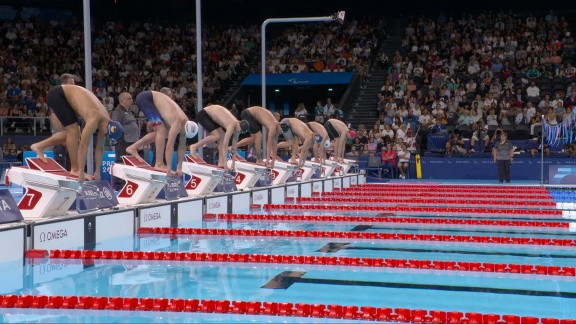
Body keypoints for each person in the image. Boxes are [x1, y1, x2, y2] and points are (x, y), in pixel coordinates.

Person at [30, 84, 124, 182]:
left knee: (75, 133)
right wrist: (81, 172)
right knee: (73, 131)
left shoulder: (106, 123)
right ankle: (75, 169)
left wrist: (97, 172)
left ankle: (39, 146)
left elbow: (99, 148)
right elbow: (83, 146)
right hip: (58, 94)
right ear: (107, 127)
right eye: (107, 134)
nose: (105, 136)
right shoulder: (94, 118)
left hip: (68, 97)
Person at [126, 88, 198, 176]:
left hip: (151, 100)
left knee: (162, 132)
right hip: (146, 98)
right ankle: (159, 163)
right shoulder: (177, 123)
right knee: (162, 130)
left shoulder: (186, 123)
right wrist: (169, 167)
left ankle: (133, 147)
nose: (182, 134)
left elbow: (182, 147)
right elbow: (169, 146)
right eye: (184, 133)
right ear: (185, 127)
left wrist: (179, 166)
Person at [190, 104, 250, 170]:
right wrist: (225, 165)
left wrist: (233, 163)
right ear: (239, 124)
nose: (239, 132)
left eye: (241, 132)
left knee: (222, 136)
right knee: (217, 136)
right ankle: (194, 147)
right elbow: (225, 146)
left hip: (213, 116)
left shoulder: (238, 129)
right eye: (240, 131)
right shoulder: (232, 124)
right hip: (204, 114)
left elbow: (234, 147)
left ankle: (221, 162)